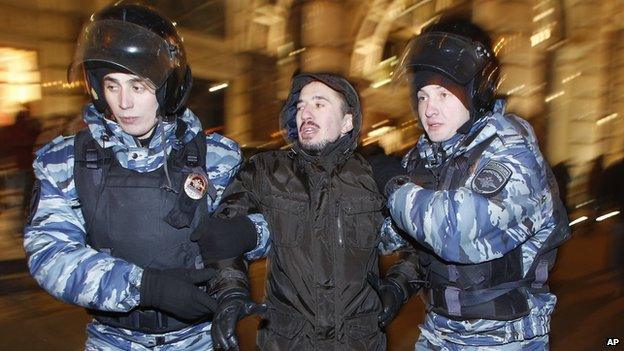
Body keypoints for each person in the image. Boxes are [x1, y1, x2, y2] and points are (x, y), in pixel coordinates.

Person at [23, 3, 244, 349]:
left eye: (138, 87)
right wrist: (145, 286)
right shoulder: (63, 161)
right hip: (112, 340)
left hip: (197, 339)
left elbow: (259, 233)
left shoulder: (217, 156)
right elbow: (50, 254)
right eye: (112, 86)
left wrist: (239, 267)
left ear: (167, 87)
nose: (123, 103)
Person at [368, 17, 570, 350]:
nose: (429, 108)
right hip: (439, 332)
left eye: (444, 94)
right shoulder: (425, 157)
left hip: (506, 339)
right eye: (423, 95)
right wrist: (398, 285)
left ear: (476, 92)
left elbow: (459, 234)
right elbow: (402, 238)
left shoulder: (510, 146)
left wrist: (393, 185)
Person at [190, 72, 422, 350]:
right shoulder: (265, 172)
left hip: (360, 342)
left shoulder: (373, 178)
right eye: (300, 106)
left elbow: (419, 241)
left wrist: (398, 286)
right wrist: (231, 292)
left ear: (347, 122)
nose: (305, 113)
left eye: (319, 104)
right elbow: (223, 234)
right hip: (288, 342)